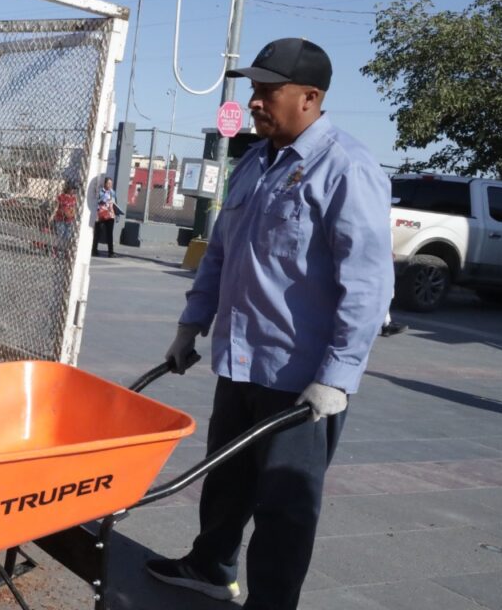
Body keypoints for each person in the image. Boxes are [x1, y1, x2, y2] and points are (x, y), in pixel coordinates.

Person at [150, 38, 393, 609]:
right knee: (227, 481)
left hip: (301, 380)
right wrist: (192, 325)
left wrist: (337, 376)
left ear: (309, 97)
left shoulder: (346, 169)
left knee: (285, 505)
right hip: (240, 362)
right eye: (253, 90)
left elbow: (368, 282)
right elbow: (219, 254)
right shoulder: (256, 163)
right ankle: (210, 566)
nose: (255, 102)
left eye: (266, 91)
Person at [51, 181, 80, 257]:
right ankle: (55, 250)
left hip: (70, 219)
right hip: (60, 218)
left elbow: (76, 209)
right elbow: (56, 207)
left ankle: (65, 251)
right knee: (60, 235)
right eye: (72, 189)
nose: (73, 191)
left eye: (74, 189)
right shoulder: (61, 197)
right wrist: (52, 216)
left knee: (68, 236)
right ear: (67, 188)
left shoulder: (75, 198)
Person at [92, 176, 117, 258]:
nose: (110, 185)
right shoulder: (101, 192)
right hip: (101, 214)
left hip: (110, 214)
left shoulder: (112, 192)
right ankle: (94, 250)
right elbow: (97, 201)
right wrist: (103, 198)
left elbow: (115, 203)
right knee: (97, 233)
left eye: (111, 183)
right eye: (108, 183)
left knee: (110, 234)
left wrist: (117, 213)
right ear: (105, 184)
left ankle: (111, 252)